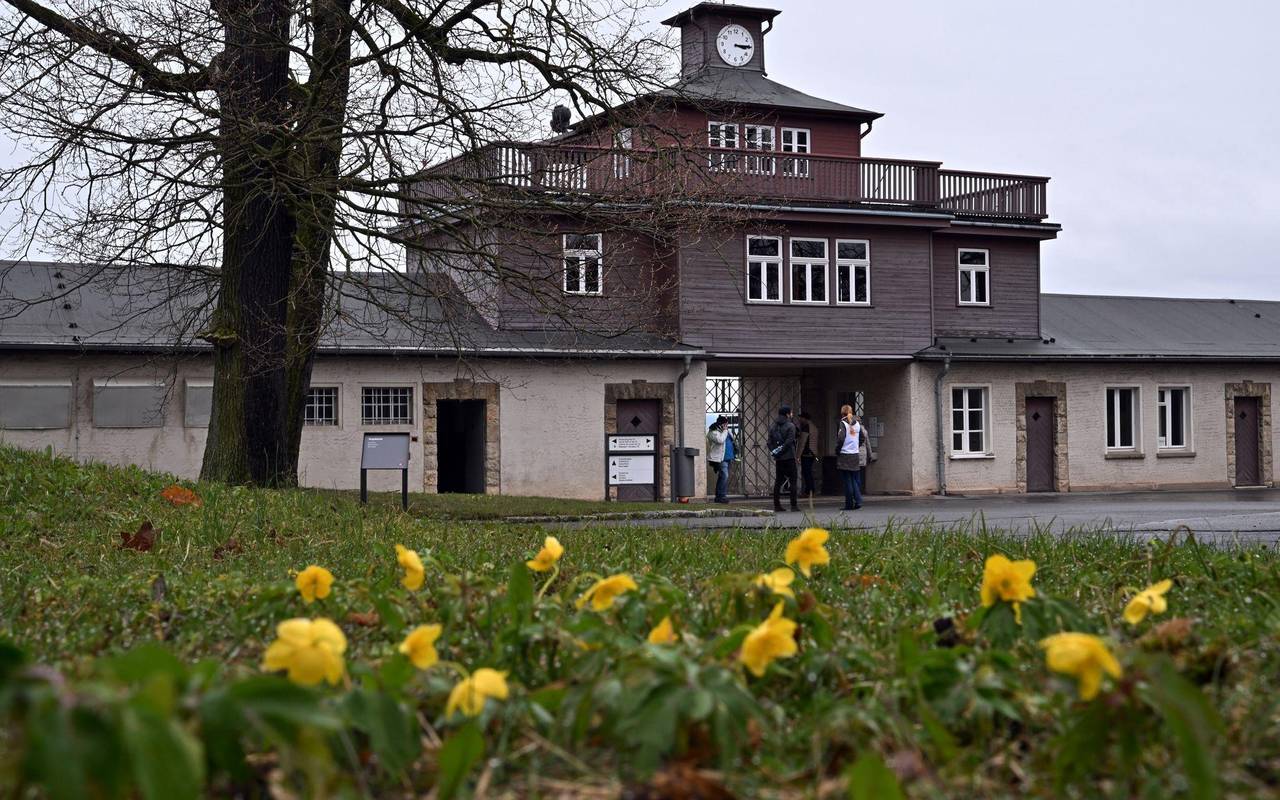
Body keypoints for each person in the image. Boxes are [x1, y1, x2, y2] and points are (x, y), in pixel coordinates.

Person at [768, 404, 799, 512]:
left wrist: (775, 452)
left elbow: (769, 442)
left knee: (778, 481)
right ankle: (794, 505)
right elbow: (789, 441)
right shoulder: (790, 426)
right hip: (789, 457)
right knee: (793, 481)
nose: (792, 414)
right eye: (791, 412)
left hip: (779, 459)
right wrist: (782, 451)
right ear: (787, 414)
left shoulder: (773, 426)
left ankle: (777, 505)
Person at [835, 404, 863, 511]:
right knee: (854, 479)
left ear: (842, 413)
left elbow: (841, 438)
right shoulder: (857, 424)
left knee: (847, 481)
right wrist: (856, 446)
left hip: (845, 455)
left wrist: (837, 450)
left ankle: (849, 504)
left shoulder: (843, 423)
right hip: (855, 454)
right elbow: (862, 437)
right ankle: (858, 500)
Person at [707, 416, 732, 503]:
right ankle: (721, 496)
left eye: (727, 424)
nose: (726, 426)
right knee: (724, 476)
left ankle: (719, 496)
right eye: (725, 424)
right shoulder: (713, 432)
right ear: (721, 424)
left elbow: (732, 441)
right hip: (720, 459)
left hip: (728, 458)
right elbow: (720, 440)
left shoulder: (725, 431)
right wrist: (725, 430)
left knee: (723, 477)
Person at [798, 411, 819, 498]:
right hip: (813, 452)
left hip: (807, 452)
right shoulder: (814, 427)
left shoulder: (806, 427)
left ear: (804, 418)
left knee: (807, 473)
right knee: (808, 472)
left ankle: (809, 491)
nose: (799, 420)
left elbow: (803, 442)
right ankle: (810, 491)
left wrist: (798, 455)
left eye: (801, 418)